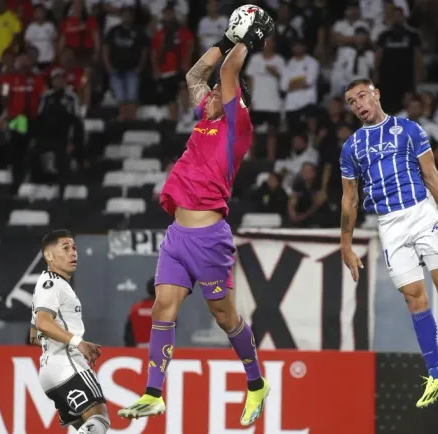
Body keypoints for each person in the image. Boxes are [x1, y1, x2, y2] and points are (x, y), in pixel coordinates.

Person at [118, 9, 274, 426]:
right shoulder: (205, 122)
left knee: (225, 317)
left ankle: (256, 381)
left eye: (214, 96)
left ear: (229, 98)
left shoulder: (236, 124)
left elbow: (226, 72)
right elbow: (193, 76)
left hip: (209, 238)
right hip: (177, 238)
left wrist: (246, 42)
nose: (202, 98)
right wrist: (226, 36)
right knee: (162, 309)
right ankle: (153, 393)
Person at [339, 78, 438, 409]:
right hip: (389, 225)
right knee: (414, 299)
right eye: (352, 101)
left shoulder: (408, 129)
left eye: (362, 95)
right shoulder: (352, 147)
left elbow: (431, 175)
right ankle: (437, 374)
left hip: (422, 214)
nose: (358, 104)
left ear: (376, 93)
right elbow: (349, 199)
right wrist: (345, 243)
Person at [29, 229, 111, 434]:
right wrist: (78, 343)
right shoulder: (52, 284)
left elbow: (33, 336)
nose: (73, 252)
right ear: (49, 256)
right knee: (99, 417)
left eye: (74, 248)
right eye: (65, 248)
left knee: (85, 427)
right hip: (68, 366)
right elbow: (43, 323)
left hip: (49, 373)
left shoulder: (45, 285)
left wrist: (61, 340)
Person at [123, 276, 157, 347]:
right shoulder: (166, 310)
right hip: (158, 350)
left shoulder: (136, 308)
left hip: (137, 351)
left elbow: (128, 334)